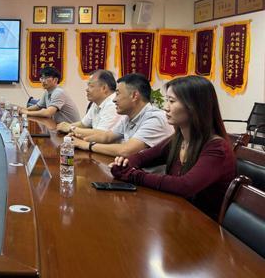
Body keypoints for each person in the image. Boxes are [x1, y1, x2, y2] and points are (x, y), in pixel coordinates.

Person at [109, 75, 235, 221]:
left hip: (203, 226)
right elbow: (141, 157)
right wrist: (124, 164)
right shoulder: (179, 139)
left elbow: (185, 185)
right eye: (167, 100)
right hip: (178, 216)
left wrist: (132, 174)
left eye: (172, 101)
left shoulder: (217, 148)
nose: (165, 107)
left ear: (194, 106)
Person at [71, 73, 174, 157]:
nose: (114, 100)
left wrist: (88, 145)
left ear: (134, 96)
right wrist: (82, 140)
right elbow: (107, 136)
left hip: (148, 175)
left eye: (118, 94)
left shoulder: (155, 118)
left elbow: (125, 150)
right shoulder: (128, 118)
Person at [56, 69, 121, 137]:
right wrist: (66, 126)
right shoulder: (96, 103)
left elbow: (101, 133)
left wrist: (71, 128)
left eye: (90, 86)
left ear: (104, 88)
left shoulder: (113, 105)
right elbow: (83, 124)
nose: (87, 89)